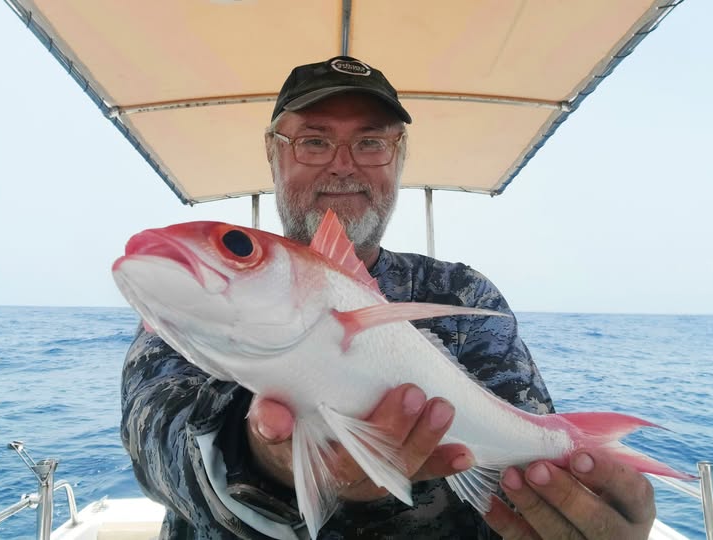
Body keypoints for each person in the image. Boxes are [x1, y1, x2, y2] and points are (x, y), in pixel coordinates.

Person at [121, 56, 656, 540]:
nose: (343, 165)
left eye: (371, 142)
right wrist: (267, 461)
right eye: (314, 141)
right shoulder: (188, 309)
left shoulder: (464, 294)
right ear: (273, 153)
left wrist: (576, 510)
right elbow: (156, 451)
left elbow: (517, 455)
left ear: (398, 158)